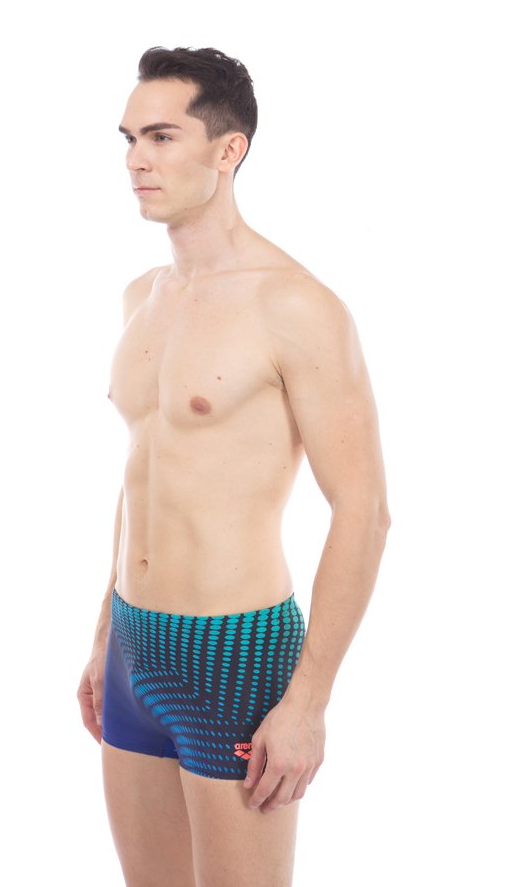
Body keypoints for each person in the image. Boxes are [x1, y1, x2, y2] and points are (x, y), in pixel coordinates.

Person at [77, 45, 391, 887]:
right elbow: (142, 474)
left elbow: (363, 510)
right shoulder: (141, 297)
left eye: (161, 137)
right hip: (135, 645)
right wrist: (105, 633)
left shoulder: (295, 306)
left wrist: (309, 701)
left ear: (229, 150)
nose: (136, 160)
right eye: (129, 139)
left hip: (235, 655)